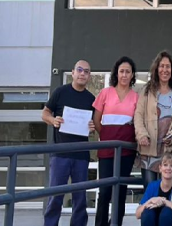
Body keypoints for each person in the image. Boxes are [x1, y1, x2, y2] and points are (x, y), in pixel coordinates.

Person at [42, 60, 96, 226]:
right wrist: (53, 120)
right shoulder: (60, 92)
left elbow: (92, 126)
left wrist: (91, 128)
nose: (82, 74)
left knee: (80, 199)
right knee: (55, 196)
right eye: (79, 70)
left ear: (89, 76)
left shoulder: (91, 99)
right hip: (60, 154)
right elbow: (45, 113)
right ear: (73, 72)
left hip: (81, 155)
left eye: (86, 71)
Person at [93, 56, 139, 226]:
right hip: (106, 150)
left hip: (126, 152)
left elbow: (138, 123)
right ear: (116, 73)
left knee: (120, 191)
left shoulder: (136, 97)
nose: (124, 75)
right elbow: (96, 120)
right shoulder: (105, 93)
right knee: (105, 190)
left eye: (128, 72)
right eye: (121, 71)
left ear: (132, 74)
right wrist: (107, 136)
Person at [136, 50, 172, 185]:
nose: (165, 70)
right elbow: (138, 115)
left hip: (168, 153)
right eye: (162, 66)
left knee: (167, 191)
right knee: (150, 190)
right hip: (148, 150)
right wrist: (141, 134)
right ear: (156, 69)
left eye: (168, 66)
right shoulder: (147, 90)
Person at [135, 152, 172, 226]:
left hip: (170, 222)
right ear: (160, 168)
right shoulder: (152, 186)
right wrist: (151, 200)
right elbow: (137, 214)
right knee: (147, 212)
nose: (168, 168)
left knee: (167, 212)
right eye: (165, 165)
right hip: (153, 222)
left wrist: (164, 202)